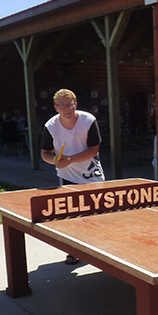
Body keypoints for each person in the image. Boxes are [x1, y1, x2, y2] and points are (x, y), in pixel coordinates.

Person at [41, 89, 105, 264]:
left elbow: (93, 150)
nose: (67, 109)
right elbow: (45, 153)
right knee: (71, 215)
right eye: (62, 106)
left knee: (95, 214)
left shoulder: (88, 120)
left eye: (70, 105)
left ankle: (97, 247)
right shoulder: (50, 126)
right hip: (67, 175)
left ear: (75, 104)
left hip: (91, 173)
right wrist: (54, 160)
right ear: (56, 107)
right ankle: (72, 251)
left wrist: (70, 159)